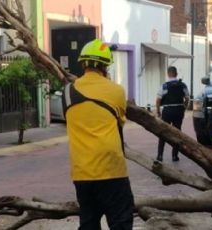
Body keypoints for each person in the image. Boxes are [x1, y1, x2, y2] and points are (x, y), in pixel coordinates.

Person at [62, 39, 134, 229]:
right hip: (112, 170)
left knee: (89, 223)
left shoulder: (68, 91)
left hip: (82, 172)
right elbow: (120, 121)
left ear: (83, 63)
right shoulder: (117, 91)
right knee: (121, 223)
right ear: (105, 66)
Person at [155, 66, 189, 162]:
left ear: (168, 74)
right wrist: (184, 107)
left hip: (167, 111)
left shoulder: (164, 86)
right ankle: (174, 156)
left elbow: (158, 100)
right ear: (176, 73)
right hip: (179, 110)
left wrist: (158, 111)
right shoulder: (182, 85)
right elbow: (187, 98)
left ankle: (160, 155)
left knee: (163, 133)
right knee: (177, 133)